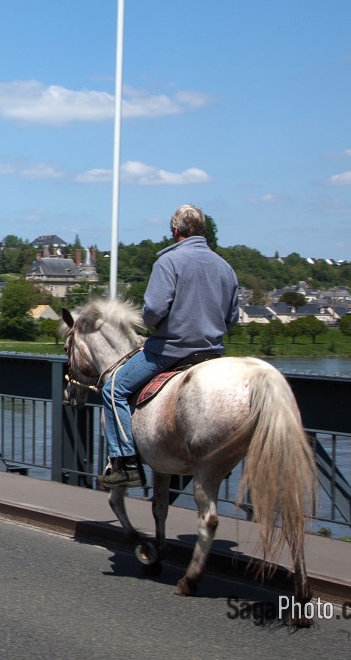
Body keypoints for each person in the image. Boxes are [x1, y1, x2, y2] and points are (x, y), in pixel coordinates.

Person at [100, 204, 239, 488]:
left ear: (175, 231)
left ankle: (124, 463)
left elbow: (152, 313)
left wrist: (156, 322)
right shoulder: (225, 267)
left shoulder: (169, 262)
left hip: (170, 352)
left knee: (113, 389)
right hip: (211, 356)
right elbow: (232, 319)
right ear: (202, 230)